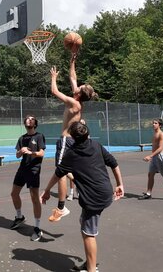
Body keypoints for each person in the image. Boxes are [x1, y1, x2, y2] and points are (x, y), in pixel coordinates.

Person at [41, 122, 124, 272]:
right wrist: (120, 184)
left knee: (88, 234)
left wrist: (46, 191)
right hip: (105, 192)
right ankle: (89, 262)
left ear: (72, 138)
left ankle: (91, 269)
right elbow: (113, 163)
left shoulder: (71, 153)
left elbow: (58, 174)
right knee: (84, 223)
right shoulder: (96, 144)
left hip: (93, 198)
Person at [47, 53, 98, 221]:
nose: (77, 85)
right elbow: (72, 77)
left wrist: (53, 77)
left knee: (60, 172)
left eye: (79, 86)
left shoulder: (73, 103)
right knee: (68, 170)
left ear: (78, 93)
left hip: (66, 140)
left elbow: (54, 91)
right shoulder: (78, 100)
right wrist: (72, 61)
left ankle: (61, 207)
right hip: (72, 140)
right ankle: (84, 184)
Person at [10, 114, 46, 241]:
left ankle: (37, 227)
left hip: (33, 169)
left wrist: (32, 153)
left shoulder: (39, 136)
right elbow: (17, 156)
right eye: (27, 119)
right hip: (22, 169)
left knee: (34, 198)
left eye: (31, 119)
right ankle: (19, 217)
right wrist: (21, 151)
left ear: (35, 123)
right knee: (14, 193)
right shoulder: (22, 138)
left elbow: (42, 153)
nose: (28, 120)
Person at [67, 118, 86, 201]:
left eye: (83, 123)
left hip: (83, 157)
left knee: (81, 175)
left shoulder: (86, 134)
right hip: (74, 155)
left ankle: (79, 190)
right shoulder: (74, 135)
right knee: (71, 173)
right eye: (80, 123)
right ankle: (71, 193)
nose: (81, 124)